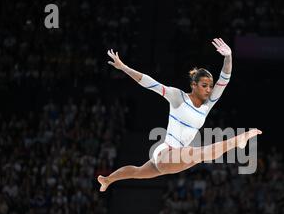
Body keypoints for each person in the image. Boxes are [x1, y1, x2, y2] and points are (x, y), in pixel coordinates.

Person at [97, 38, 261, 192]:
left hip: (176, 155)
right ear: (194, 85)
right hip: (166, 152)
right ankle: (237, 141)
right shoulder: (178, 97)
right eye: (204, 85)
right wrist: (124, 67)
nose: (209, 89)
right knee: (200, 154)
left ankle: (107, 180)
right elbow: (149, 82)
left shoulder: (208, 104)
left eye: (210, 86)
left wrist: (229, 57)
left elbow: (224, 79)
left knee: (138, 171)